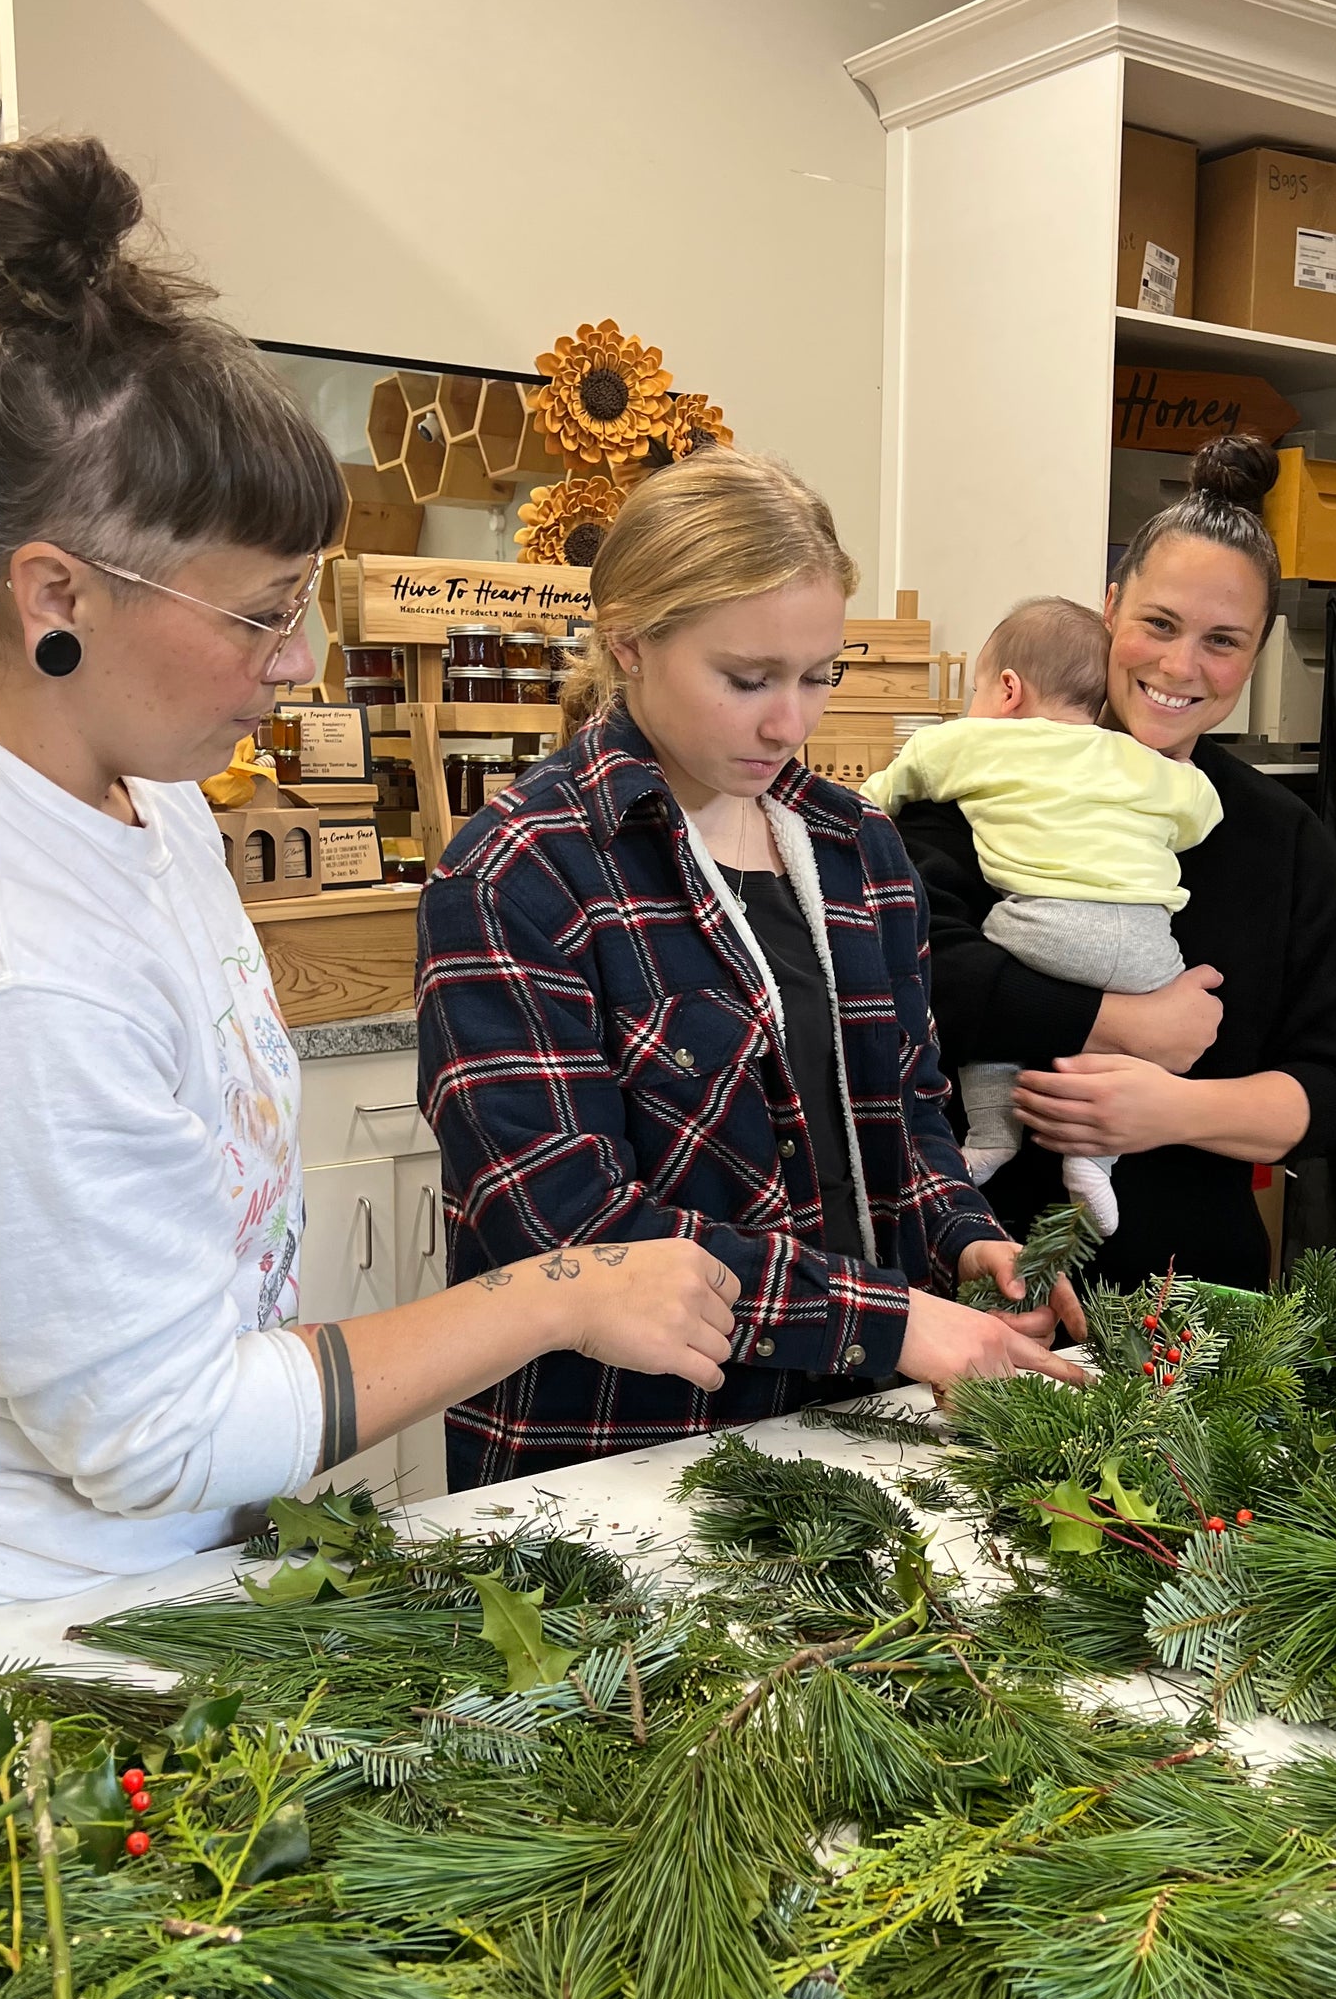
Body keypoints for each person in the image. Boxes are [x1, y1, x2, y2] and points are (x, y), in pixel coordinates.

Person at [0, 136, 736, 1641]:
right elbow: (159, 1434)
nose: (298, 666)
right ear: (57, 595)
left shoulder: (123, 773)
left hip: (144, 1563)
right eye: (261, 613)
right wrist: (561, 1289)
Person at [416, 446, 1088, 1492]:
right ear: (628, 643)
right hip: (609, 1456)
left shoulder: (855, 846)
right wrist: (898, 1323)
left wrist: (959, 1234)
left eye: (819, 676)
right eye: (746, 680)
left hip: (853, 1424)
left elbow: (904, 1111)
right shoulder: (519, 872)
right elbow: (574, 1235)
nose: (790, 722)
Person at [894, 435, 1336, 1294]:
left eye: (1222, 641)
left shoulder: (1281, 836)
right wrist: (1117, 1024)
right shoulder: (991, 773)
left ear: (1258, 650)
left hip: (1194, 1303)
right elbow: (914, 972)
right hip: (979, 1280)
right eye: (1159, 624)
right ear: (1110, 610)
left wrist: (1174, 1109)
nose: (1179, 666)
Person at [862, 594, 1219, 1235]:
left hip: (1044, 927)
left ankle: (995, 1131)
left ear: (1007, 689)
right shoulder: (1140, 760)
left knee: (987, 977)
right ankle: (1093, 1162)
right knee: (1132, 1050)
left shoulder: (974, 741)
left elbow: (893, 785)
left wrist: (865, 802)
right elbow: (1199, 818)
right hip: (1143, 947)